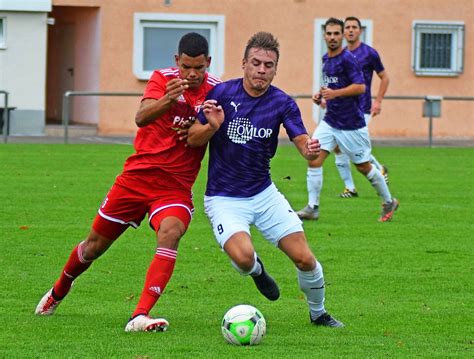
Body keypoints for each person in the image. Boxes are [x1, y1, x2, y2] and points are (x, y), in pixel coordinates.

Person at [35, 32, 221, 332]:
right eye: (187, 66)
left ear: (208, 63)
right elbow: (141, 117)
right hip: (136, 179)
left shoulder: (217, 91)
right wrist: (168, 99)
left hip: (174, 187)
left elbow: (200, 136)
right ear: (177, 61)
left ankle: (140, 315)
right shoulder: (163, 79)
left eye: (199, 67)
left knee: (171, 232)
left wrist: (208, 127)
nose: (192, 74)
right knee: (92, 248)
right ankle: (58, 291)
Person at [187, 31, 343, 327]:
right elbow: (193, 139)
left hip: (264, 194)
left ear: (275, 68)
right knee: (244, 259)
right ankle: (258, 272)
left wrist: (310, 149)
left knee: (305, 259)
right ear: (244, 63)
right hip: (223, 198)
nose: (261, 69)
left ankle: (318, 313)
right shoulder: (221, 95)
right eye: (256, 63)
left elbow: (302, 143)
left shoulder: (282, 102)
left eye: (268, 65)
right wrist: (213, 127)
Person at [295, 18, 398, 222]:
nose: (332, 37)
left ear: (341, 36)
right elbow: (330, 87)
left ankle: (388, 201)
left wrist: (335, 93)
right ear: (324, 35)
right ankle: (312, 207)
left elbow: (360, 87)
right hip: (330, 121)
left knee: (363, 166)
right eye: (329, 33)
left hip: (351, 124)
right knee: (313, 158)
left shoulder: (348, 58)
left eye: (336, 33)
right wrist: (320, 96)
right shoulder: (326, 59)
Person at [334, 16, 390, 198]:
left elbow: (385, 77)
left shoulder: (369, 53)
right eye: (347, 27)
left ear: (360, 31)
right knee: (338, 146)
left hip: (362, 109)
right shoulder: (339, 54)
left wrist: (378, 101)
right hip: (342, 110)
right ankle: (350, 187)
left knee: (354, 147)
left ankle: (378, 171)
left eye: (354, 27)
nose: (350, 30)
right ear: (343, 32)